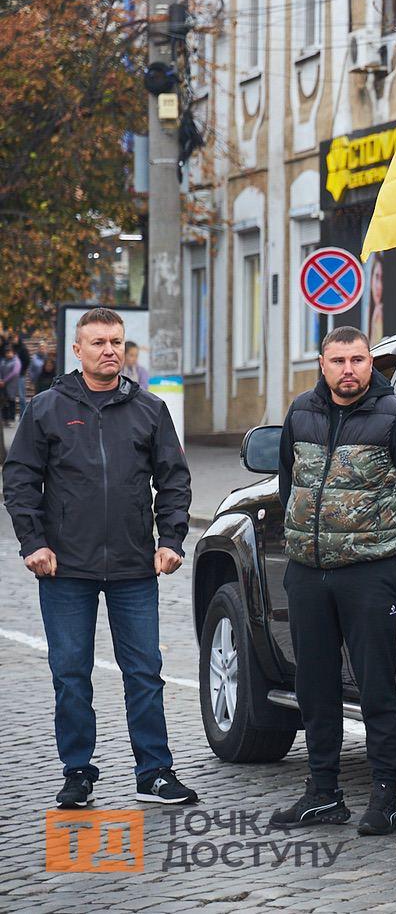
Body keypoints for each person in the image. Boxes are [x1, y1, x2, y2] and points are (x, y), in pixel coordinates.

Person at [2, 307, 197, 810]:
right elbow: (20, 480)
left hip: (135, 567)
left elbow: (173, 479)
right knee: (70, 674)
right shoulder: (46, 408)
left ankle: (154, 772)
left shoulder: (149, 409)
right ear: (78, 349)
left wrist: (172, 540)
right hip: (65, 569)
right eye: (98, 342)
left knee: (144, 672)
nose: (109, 350)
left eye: (116, 341)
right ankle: (77, 773)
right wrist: (33, 543)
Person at [269, 326, 396, 836]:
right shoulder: (300, 413)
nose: (349, 369)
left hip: (368, 576)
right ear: (321, 363)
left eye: (359, 359)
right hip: (307, 573)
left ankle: (384, 796)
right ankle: (322, 794)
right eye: (339, 360)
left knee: (375, 687)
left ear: (371, 363)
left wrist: (386, 551)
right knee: (315, 687)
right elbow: (288, 482)